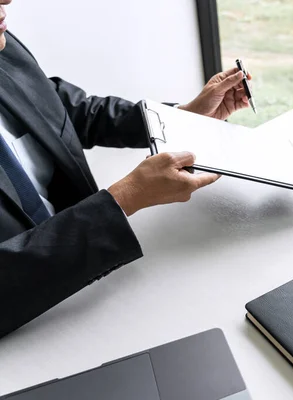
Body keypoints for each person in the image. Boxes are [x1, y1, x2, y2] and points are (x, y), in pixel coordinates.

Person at [0, 0, 251, 338]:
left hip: (97, 284)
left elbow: (68, 111)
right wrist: (123, 199)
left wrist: (179, 120)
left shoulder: (5, 45)